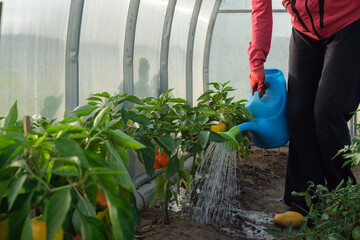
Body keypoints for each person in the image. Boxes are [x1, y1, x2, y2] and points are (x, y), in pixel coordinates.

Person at [248, 0, 360, 228]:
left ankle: (342, 197)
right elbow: (261, 6)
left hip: (349, 21)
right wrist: (256, 62)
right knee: (299, 114)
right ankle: (304, 203)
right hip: (304, 30)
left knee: (327, 111)